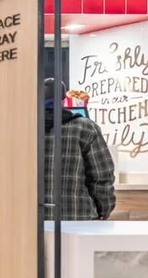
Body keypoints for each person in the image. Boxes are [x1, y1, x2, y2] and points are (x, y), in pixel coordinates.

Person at [43, 79, 115, 220]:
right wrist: (103, 210)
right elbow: (102, 176)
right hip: (78, 218)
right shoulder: (85, 127)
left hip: (27, 222)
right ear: (63, 98)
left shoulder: (20, 128)